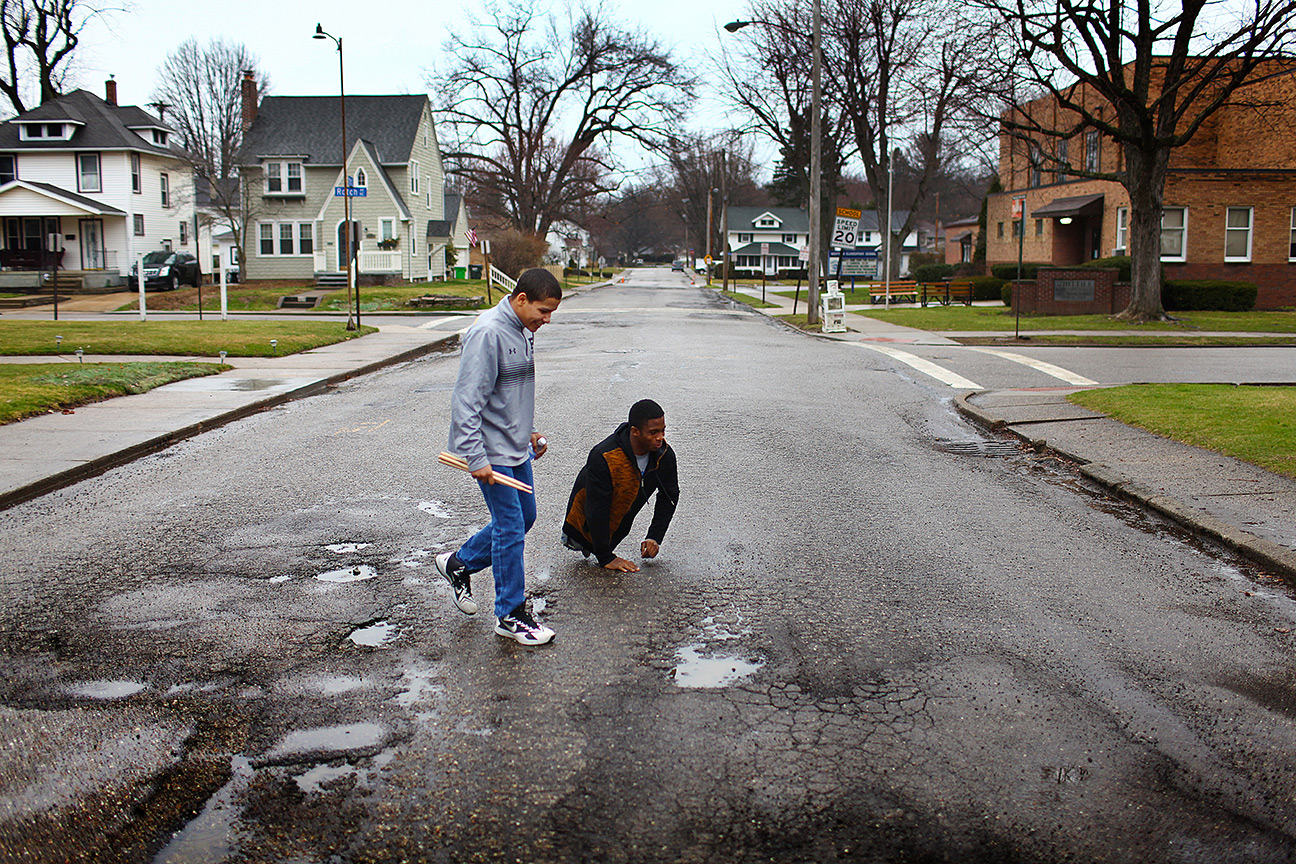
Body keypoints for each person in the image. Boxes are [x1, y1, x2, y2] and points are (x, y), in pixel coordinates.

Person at [436, 268, 562, 645]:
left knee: (525, 517)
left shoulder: (524, 330)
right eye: (543, 311)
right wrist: (476, 458)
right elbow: (466, 401)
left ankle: (459, 562)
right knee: (510, 526)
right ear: (520, 299)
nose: (547, 320)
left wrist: (531, 430)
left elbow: (508, 392)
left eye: (551, 313)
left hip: (515, 444)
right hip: (490, 449)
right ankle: (510, 615)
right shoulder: (488, 332)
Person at [560, 399, 679, 572]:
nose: (660, 438)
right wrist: (605, 557)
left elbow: (669, 497)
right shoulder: (604, 456)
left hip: (615, 531)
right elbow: (596, 509)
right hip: (582, 529)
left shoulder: (664, 456)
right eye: (653, 432)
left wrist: (655, 536)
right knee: (585, 542)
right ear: (635, 431)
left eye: (662, 430)